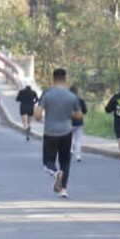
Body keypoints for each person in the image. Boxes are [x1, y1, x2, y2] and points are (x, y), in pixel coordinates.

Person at [35, 69, 84, 199]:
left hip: (50, 132)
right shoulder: (72, 96)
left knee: (48, 162)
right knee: (65, 161)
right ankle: (63, 189)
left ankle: (55, 172)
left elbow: (37, 115)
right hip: (66, 132)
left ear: (53, 79)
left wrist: (45, 116)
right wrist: (68, 113)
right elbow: (79, 116)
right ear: (65, 79)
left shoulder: (47, 94)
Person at [69, 84, 88, 162]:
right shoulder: (81, 100)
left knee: (69, 138)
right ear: (77, 92)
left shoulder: (67, 101)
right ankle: (78, 156)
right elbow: (85, 111)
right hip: (79, 122)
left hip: (69, 122)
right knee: (78, 139)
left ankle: (70, 151)